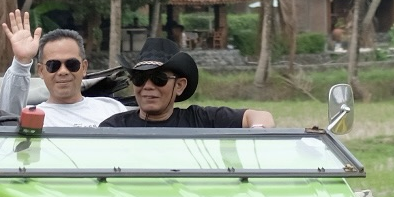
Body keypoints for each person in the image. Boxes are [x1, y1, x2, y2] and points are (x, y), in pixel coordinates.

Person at [100, 37, 275, 129]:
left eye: (158, 79)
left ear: (179, 86)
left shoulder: (201, 120)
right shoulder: (113, 127)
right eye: (139, 79)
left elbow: (261, 117)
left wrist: (257, 132)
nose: (147, 86)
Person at [0, 13, 124, 126]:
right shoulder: (31, 117)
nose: (63, 71)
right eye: (53, 65)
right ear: (41, 71)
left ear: (84, 67)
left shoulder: (112, 109)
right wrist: (21, 61)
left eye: (72, 64)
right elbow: (6, 118)